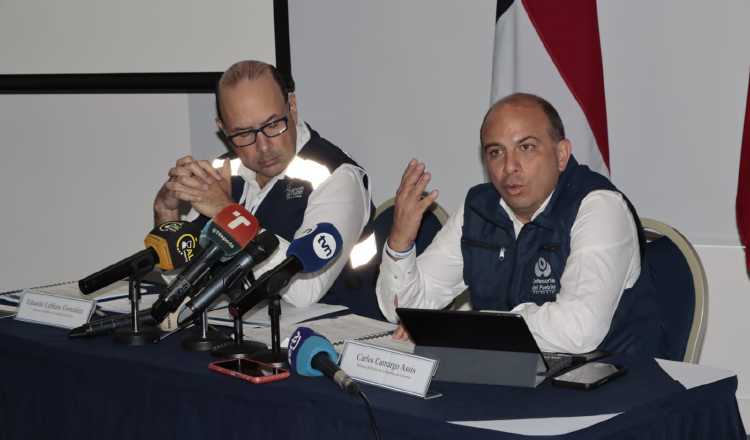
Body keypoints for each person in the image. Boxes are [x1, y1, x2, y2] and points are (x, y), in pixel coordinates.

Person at [376, 93, 659, 355]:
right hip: (509, 373)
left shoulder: (599, 207)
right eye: (496, 152)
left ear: (561, 155)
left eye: (526, 147)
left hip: (609, 381)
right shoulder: (479, 208)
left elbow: (579, 329)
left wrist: (467, 329)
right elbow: (402, 310)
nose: (510, 166)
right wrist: (400, 244)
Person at [153, 60, 374, 310]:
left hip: (331, 336)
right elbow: (181, 286)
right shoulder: (224, 172)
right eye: (244, 134)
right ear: (223, 129)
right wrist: (166, 215)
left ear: (292, 106)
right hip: (245, 331)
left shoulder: (337, 176)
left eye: (272, 125)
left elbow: (304, 291)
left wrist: (228, 214)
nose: (264, 147)